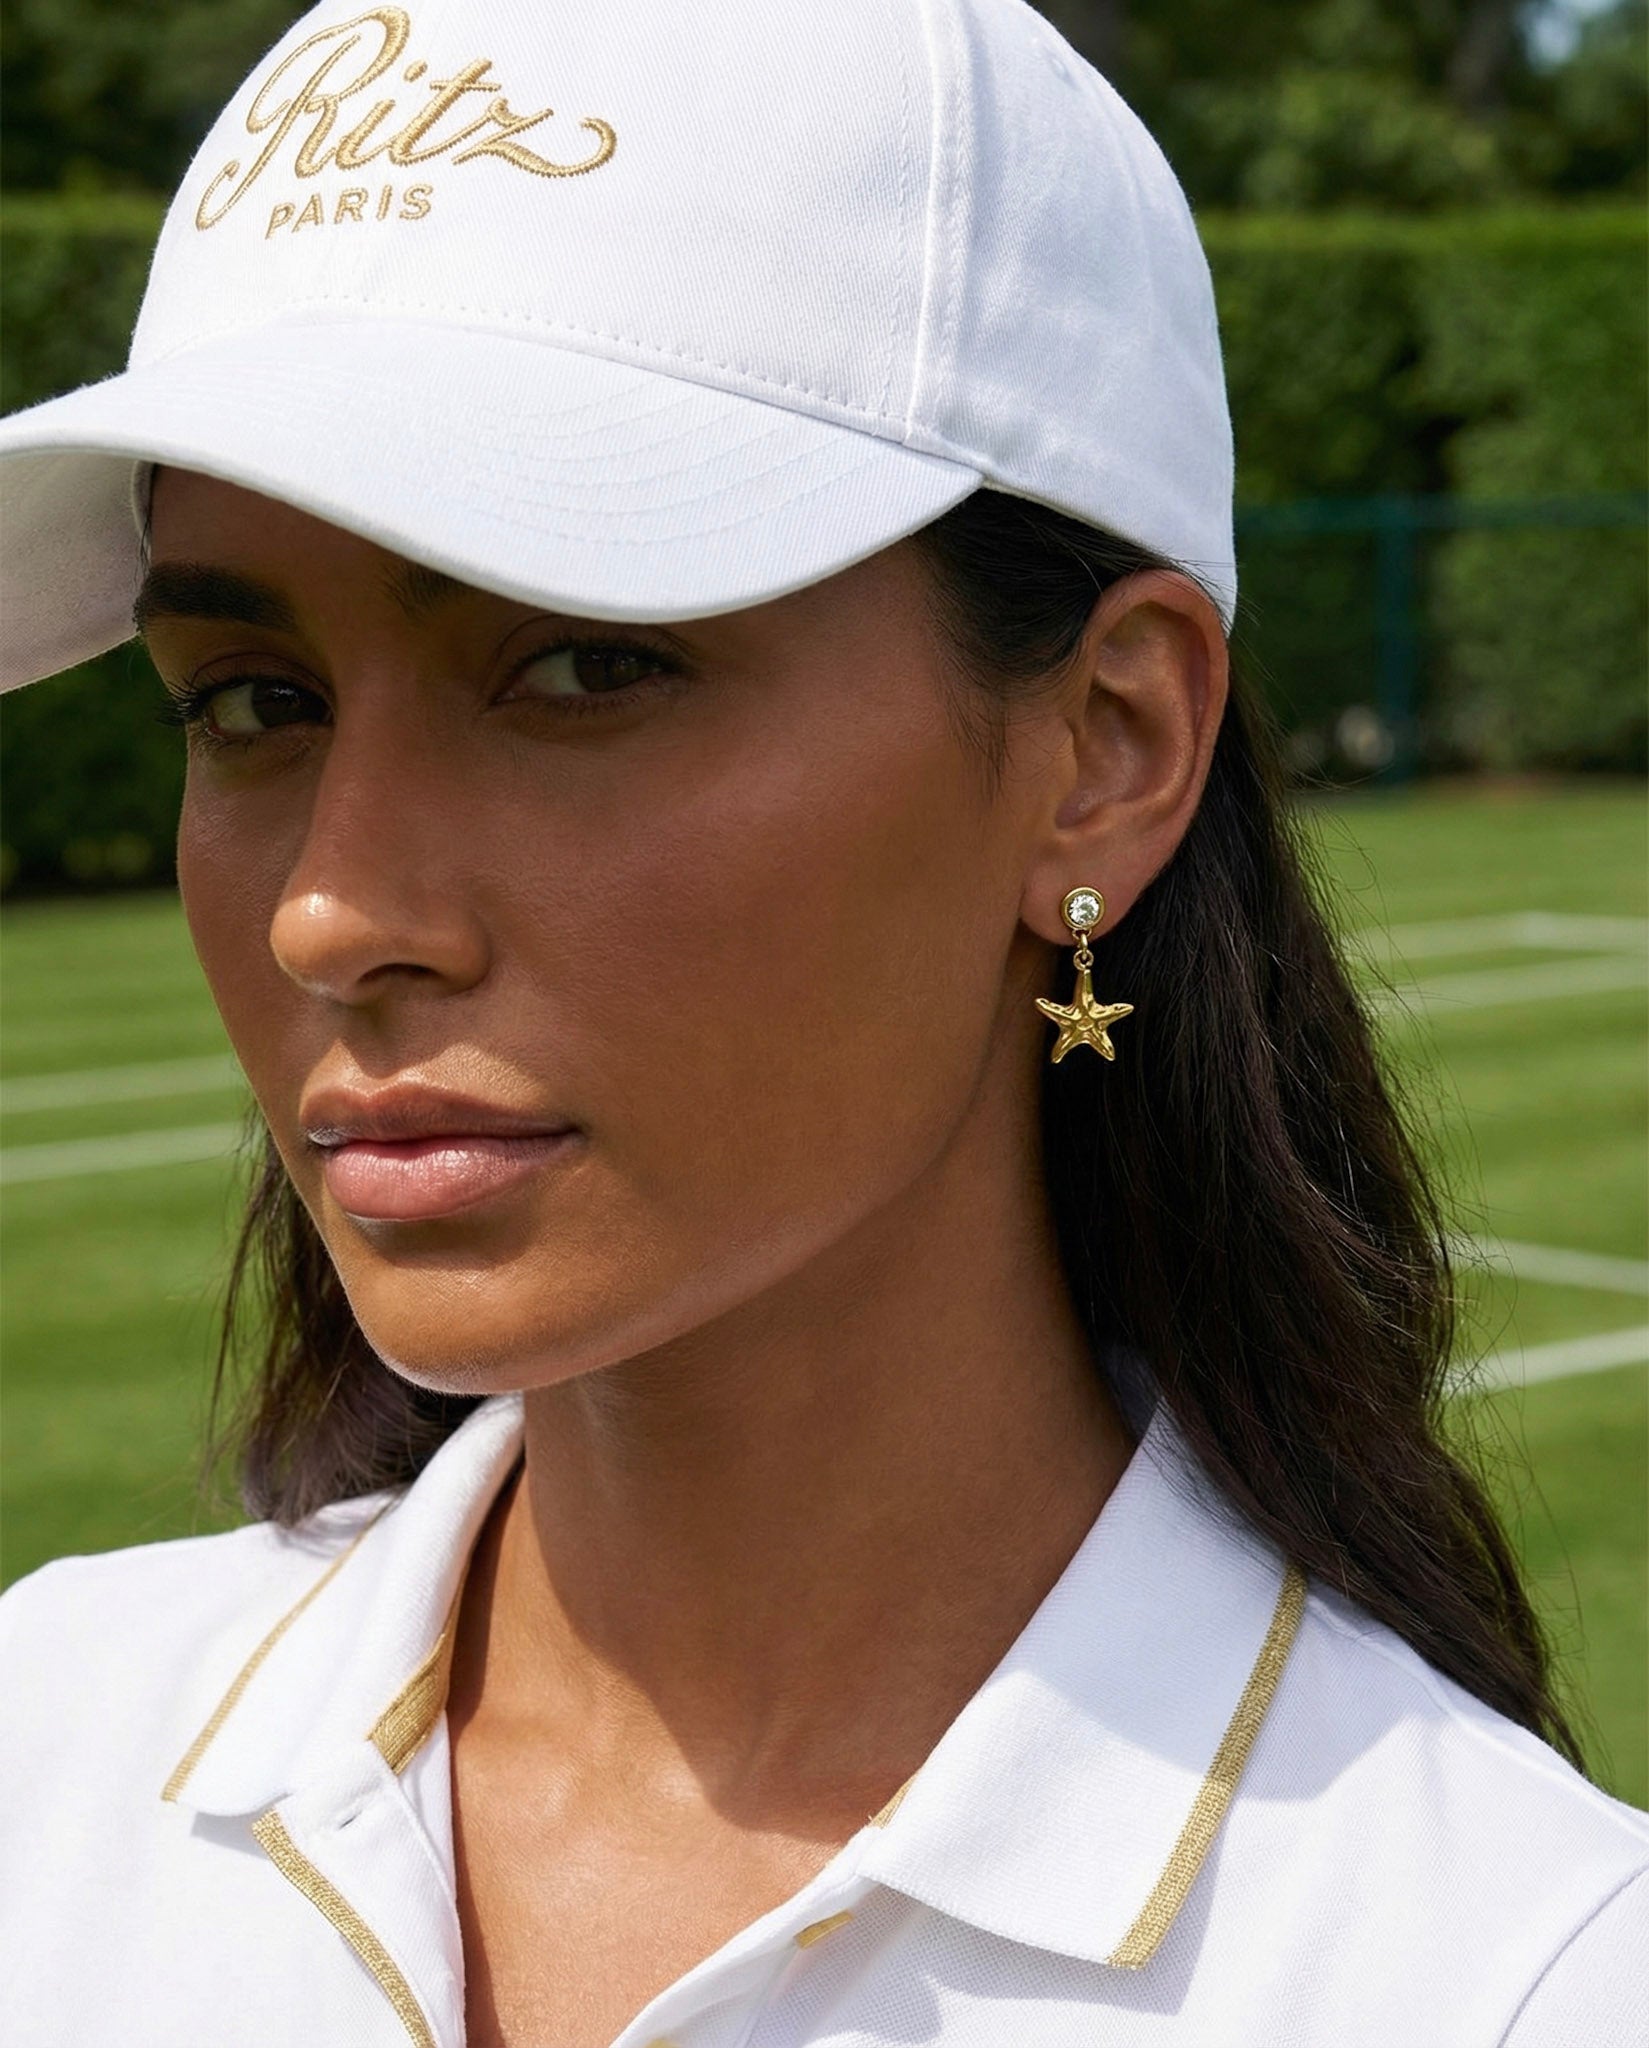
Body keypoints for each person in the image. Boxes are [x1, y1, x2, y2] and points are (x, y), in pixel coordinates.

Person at [0, 1, 1643, 2043]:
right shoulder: (43, 1765)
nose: (338, 907)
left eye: (585, 665)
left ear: (1106, 748)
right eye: (252, 698)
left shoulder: (1506, 1979)